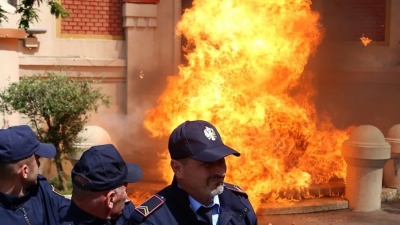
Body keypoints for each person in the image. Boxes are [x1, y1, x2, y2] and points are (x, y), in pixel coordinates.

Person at [131, 120, 258, 225]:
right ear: (177, 168)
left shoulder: (239, 203)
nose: (220, 171)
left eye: (221, 161)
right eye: (207, 164)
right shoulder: (153, 220)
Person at [0, 125, 71, 224]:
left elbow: (69, 212)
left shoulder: (40, 187)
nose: (39, 164)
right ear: (25, 171)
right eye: (37, 159)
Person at [60, 144, 143, 225]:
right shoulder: (128, 215)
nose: (126, 197)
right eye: (125, 190)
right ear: (110, 199)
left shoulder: (59, 210)